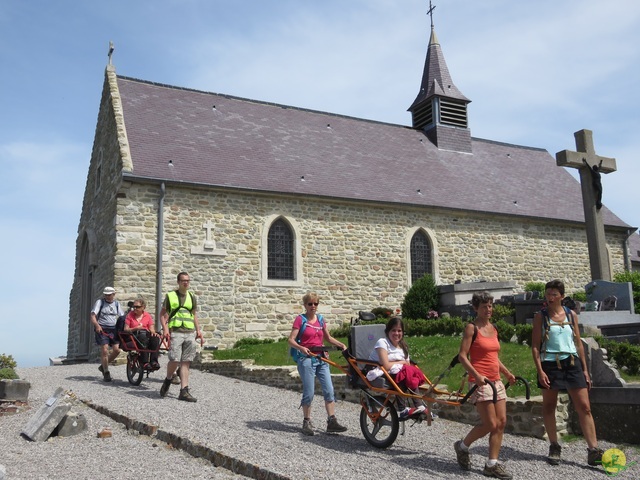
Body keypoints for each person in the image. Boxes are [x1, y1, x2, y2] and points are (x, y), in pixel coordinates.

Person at [532, 279, 603, 467]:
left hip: (572, 363)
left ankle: (593, 450)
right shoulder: (541, 316)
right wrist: (540, 371)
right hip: (550, 364)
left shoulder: (571, 315)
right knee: (549, 406)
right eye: (548, 294)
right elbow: (535, 346)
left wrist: (585, 370)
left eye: (554, 294)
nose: (550, 297)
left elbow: (578, 342)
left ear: (562, 296)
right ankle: (554, 445)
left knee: (584, 407)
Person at [454, 291, 516, 479]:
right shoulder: (471, 328)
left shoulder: (493, 328)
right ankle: (462, 446)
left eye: (490, 306)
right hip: (480, 382)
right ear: (476, 308)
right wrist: (476, 374)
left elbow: (493, 357)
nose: (488, 309)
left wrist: (506, 373)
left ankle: (492, 464)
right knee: (490, 423)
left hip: (495, 380)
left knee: (501, 422)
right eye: (484, 306)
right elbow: (462, 356)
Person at [288, 292, 348, 436]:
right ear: (305, 305)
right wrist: (302, 348)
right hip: (306, 359)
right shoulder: (300, 320)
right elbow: (291, 340)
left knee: (329, 389)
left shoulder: (321, 320)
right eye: (310, 304)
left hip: (321, 358)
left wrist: (341, 345)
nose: (313, 306)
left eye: (316, 303)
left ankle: (331, 421)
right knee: (309, 391)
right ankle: (306, 421)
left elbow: (327, 337)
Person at [367, 316, 427, 419]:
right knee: (403, 373)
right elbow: (386, 365)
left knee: (408, 373)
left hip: (394, 373)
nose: (397, 333)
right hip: (378, 372)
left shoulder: (403, 346)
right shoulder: (382, 342)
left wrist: (399, 363)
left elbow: (407, 365)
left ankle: (419, 406)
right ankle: (403, 409)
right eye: (393, 330)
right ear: (388, 331)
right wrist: (402, 362)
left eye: (399, 331)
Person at [159, 272, 203, 402]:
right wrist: (165, 329)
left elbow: (194, 315)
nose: (186, 283)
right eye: (183, 280)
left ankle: (184, 391)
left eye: (188, 280)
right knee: (174, 359)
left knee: (186, 361)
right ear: (178, 282)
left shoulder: (192, 297)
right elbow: (162, 314)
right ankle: (168, 379)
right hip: (176, 332)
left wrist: (198, 331)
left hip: (189, 332)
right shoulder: (170, 296)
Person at [90, 286, 125, 382]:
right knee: (105, 349)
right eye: (106, 295)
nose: (107, 297)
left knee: (117, 350)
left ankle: (103, 366)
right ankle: (106, 371)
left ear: (114, 294)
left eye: (109, 295)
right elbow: (93, 315)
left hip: (114, 329)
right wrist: (97, 325)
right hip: (102, 328)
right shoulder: (100, 302)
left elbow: (122, 317)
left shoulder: (117, 304)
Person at [124, 297, 161, 370]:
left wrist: (154, 333)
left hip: (146, 333)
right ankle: (145, 362)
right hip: (134, 334)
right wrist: (136, 328)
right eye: (134, 307)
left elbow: (151, 328)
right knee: (142, 338)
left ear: (143, 307)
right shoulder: (130, 315)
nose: (135, 308)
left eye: (137, 307)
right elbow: (126, 329)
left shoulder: (147, 315)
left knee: (155, 338)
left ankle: (154, 361)